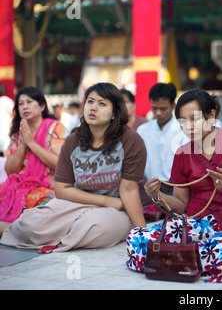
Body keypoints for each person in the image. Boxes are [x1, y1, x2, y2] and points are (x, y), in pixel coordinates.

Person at [126, 88, 222, 283]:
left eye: (194, 119)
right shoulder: (182, 153)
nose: (188, 126)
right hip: (191, 227)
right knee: (135, 240)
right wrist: (158, 196)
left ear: (211, 115)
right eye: (182, 121)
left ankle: (174, 261)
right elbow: (181, 205)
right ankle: (187, 260)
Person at [0, 82, 147, 252]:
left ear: (114, 113)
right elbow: (62, 189)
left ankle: (53, 237)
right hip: (79, 203)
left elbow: (129, 190)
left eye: (102, 103)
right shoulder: (73, 140)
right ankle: (53, 235)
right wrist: (106, 200)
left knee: (97, 229)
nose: (93, 108)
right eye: (90, 101)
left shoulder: (131, 140)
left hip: (118, 209)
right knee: (29, 222)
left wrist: (142, 233)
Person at [0, 87, 66, 222]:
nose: (25, 106)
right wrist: (22, 147)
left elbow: (60, 164)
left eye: (29, 102)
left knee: (46, 204)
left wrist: (32, 143)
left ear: (42, 106)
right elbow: (10, 170)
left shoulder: (55, 127)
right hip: (21, 185)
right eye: (21, 103)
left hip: (50, 186)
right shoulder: (18, 132)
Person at [137, 83, 189, 197]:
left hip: (177, 190)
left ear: (173, 105)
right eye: (154, 108)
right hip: (149, 189)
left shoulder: (184, 130)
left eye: (163, 108)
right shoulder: (142, 130)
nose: (158, 113)